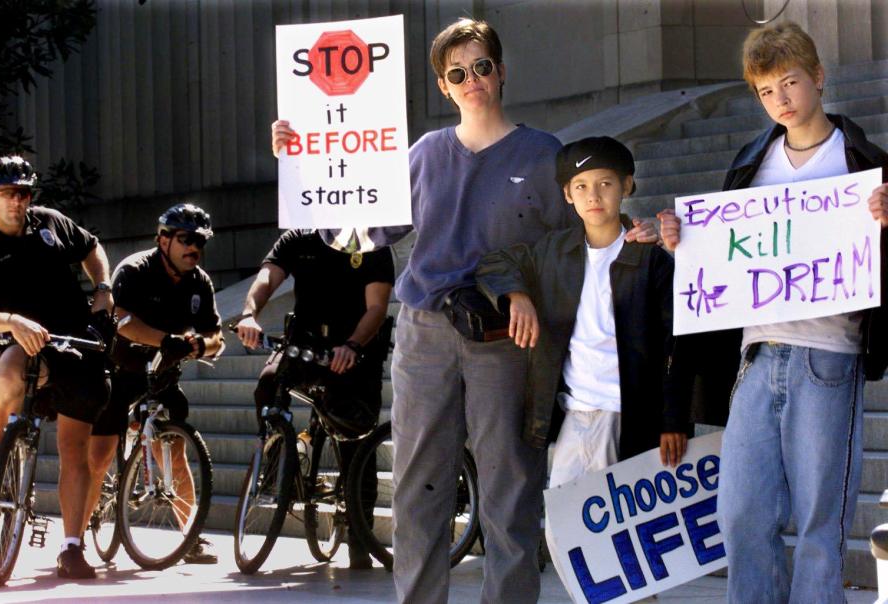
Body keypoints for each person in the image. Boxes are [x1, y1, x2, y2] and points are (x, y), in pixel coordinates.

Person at [272, 18, 658, 603]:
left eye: (481, 67)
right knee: (417, 486)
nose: (471, 79)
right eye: (457, 73)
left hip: (508, 337)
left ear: (501, 73)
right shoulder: (422, 155)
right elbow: (354, 236)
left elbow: (588, 235)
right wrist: (302, 166)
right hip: (425, 336)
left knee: (511, 487)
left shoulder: (544, 154)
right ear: (444, 86)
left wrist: (649, 234)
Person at [658, 21, 888, 603]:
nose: (779, 100)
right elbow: (723, 253)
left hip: (829, 357)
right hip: (756, 358)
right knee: (740, 513)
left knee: (819, 523)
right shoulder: (751, 161)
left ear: (818, 76)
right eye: (765, 91)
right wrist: (683, 239)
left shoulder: (863, 160)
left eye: (788, 83)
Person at [476, 136, 691, 588]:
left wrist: (674, 420)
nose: (594, 196)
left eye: (606, 183)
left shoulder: (648, 254)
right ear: (567, 195)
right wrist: (517, 296)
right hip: (579, 413)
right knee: (567, 532)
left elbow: (676, 341)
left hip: (635, 416)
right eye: (582, 186)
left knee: (635, 544)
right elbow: (495, 263)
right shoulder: (553, 252)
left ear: (627, 186)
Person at [0, 155, 114, 579]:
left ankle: (71, 547)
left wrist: (102, 290)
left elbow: (92, 248)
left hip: (75, 339)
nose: (17, 202)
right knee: (8, 368)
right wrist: (9, 321)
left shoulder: (50, 222)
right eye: (8, 194)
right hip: (26, 339)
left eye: (24, 193)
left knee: (73, 450)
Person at [235, 228, 394, 570]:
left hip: (352, 349)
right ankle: (279, 460)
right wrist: (249, 313)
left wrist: (352, 345)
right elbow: (267, 276)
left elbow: (377, 306)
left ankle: (358, 535)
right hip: (303, 343)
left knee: (354, 433)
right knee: (267, 384)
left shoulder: (373, 242)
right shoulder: (299, 237)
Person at [88, 203, 225, 565]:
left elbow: (216, 336)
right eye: (186, 239)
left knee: (177, 451)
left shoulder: (200, 281)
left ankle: (191, 537)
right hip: (122, 370)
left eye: (201, 241)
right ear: (163, 240)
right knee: (100, 457)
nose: (195, 247)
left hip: (164, 374)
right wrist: (166, 339)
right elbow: (122, 320)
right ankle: (76, 538)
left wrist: (199, 345)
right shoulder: (134, 270)